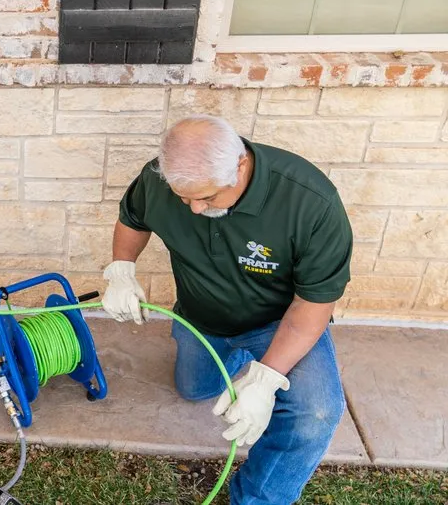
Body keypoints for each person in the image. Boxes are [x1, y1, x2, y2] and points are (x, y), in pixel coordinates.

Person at [101, 114, 352, 505]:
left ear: (240, 165)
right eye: (185, 198)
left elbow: (314, 302)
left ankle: (257, 498)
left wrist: (267, 379)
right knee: (194, 390)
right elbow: (132, 218)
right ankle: (238, 360)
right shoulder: (159, 179)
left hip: (279, 324)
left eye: (208, 197)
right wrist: (121, 269)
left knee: (314, 414)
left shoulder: (310, 202)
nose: (195, 208)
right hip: (201, 318)